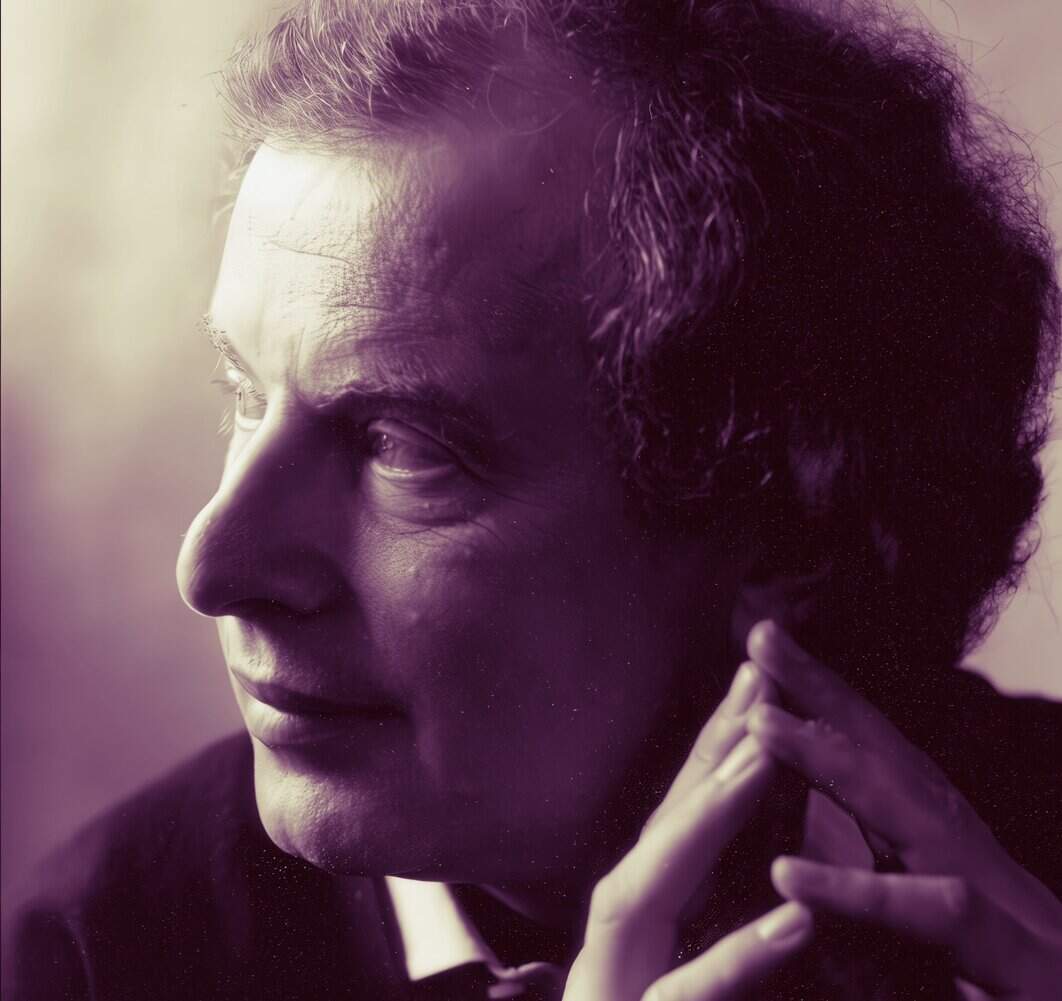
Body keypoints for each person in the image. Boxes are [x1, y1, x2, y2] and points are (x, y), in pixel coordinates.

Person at [5, 0, 1061, 998]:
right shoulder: (103, 952)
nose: (215, 564)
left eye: (404, 445)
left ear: (783, 520)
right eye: (244, 392)